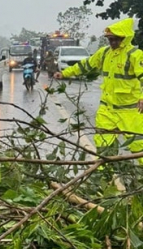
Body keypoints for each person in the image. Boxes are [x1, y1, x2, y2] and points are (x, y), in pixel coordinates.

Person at [53, 18, 143, 162]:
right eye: (110, 40)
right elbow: (85, 65)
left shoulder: (135, 55)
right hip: (106, 110)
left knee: (139, 147)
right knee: (103, 148)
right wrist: (65, 73)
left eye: (116, 40)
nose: (113, 43)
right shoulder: (104, 53)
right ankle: (106, 178)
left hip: (130, 112)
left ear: (125, 38)